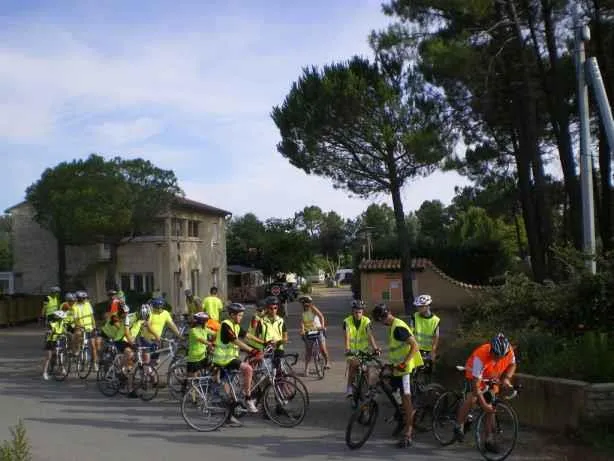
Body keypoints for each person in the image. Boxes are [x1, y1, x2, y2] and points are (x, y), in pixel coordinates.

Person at [454, 333, 517, 454]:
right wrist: (483, 405)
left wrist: (507, 378)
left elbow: (513, 364)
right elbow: (476, 386)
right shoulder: (480, 355)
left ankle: (488, 441)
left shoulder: (508, 351)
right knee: (472, 397)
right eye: (496, 356)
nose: (498, 359)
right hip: (474, 373)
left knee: (491, 403)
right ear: (491, 350)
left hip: (491, 375)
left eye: (501, 356)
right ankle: (459, 425)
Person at [372, 302, 423, 448]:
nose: (381, 323)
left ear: (382, 318)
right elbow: (397, 350)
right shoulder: (393, 326)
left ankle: (408, 432)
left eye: (379, 320)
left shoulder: (398, 327)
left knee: (406, 398)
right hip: (397, 367)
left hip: (405, 369)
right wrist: (391, 364)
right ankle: (402, 414)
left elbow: (415, 346)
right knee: (391, 386)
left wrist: (404, 363)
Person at [212, 303, 264, 414]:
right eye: (239, 315)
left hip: (230, 358)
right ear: (231, 315)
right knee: (248, 369)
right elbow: (235, 340)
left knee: (229, 389)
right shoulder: (226, 325)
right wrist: (252, 350)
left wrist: (263, 342)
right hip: (224, 359)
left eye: (241, 315)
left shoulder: (235, 325)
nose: (240, 318)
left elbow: (247, 335)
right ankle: (248, 399)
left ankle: (229, 414)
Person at [343, 299, 380, 397]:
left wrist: (375, 348)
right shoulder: (347, 321)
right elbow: (347, 335)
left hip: (364, 350)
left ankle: (368, 388)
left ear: (362, 312)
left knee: (367, 369)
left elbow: (370, 335)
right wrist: (347, 348)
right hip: (351, 351)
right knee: (353, 366)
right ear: (352, 311)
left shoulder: (366, 321)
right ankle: (349, 388)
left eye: (360, 312)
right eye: (356, 312)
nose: (358, 314)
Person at [299, 294, 330, 375]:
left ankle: (327, 362)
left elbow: (321, 316)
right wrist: (302, 330)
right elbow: (302, 322)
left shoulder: (313, 308)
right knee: (308, 352)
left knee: (323, 349)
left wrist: (322, 326)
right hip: (308, 332)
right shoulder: (303, 313)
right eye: (303, 303)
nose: (305, 305)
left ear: (310, 303)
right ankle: (306, 369)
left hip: (318, 330)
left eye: (307, 303)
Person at [72, 290, 99, 370]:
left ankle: (94, 363)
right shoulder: (75, 306)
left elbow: (91, 316)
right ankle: (77, 349)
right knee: (77, 335)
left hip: (89, 327)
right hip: (80, 327)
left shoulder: (88, 304)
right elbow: (76, 319)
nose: (84, 299)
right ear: (79, 298)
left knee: (93, 346)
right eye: (83, 298)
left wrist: (94, 326)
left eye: (84, 298)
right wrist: (79, 326)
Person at [410, 294, 440, 362]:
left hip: (428, 351)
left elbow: (436, 337)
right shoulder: (414, 316)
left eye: (420, 306)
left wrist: (433, 351)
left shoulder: (436, 320)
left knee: (427, 371)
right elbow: (410, 332)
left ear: (427, 306)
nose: (418, 308)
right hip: (415, 348)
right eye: (417, 306)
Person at [186, 311, 215, 380]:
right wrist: (210, 344)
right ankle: (189, 389)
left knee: (212, 368)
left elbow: (215, 333)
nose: (207, 323)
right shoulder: (193, 330)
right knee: (193, 379)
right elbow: (201, 339)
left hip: (202, 356)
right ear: (202, 322)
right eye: (206, 321)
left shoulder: (204, 329)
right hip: (194, 358)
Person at [42, 310, 68, 380]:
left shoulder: (62, 323)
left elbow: (64, 330)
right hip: (51, 340)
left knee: (61, 354)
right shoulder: (52, 323)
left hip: (58, 339)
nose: (62, 319)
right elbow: (48, 330)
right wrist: (49, 332)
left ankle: (62, 368)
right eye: (61, 318)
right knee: (48, 356)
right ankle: (44, 372)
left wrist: (66, 333)